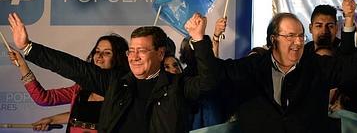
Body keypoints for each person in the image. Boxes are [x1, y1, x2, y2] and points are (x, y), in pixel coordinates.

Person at [8, 12, 218, 133]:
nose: (134, 57)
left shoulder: (178, 85)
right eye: (131, 51)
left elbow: (209, 82)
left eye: (141, 51)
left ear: (160, 53)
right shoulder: (117, 83)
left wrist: (199, 40)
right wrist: (29, 48)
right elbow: (73, 67)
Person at [220, 9, 357, 133]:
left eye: (301, 36)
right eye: (290, 36)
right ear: (273, 39)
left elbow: (355, 68)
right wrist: (201, 39)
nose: (297, 42)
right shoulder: (252, 66)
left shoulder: (316, 66)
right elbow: (214, 75)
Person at [9, 34, 129, 132]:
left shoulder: (121, 89)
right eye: (97, 51)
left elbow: (71, 66)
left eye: (107, 53)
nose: (99, 56)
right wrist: (22, 65)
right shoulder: (80, 88)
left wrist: (28, 47)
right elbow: (43, 98)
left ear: (118, 58)